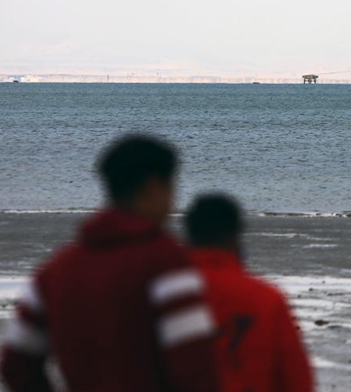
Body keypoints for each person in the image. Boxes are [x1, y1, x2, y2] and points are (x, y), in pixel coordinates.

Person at [1, 135, 221, 392]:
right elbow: (195, 368)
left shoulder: (57, 268)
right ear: (154, 187)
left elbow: (17, 364)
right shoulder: (166, 262)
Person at [185, 194, 314, 392]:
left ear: (189, 237)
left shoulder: (164, 294)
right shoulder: (267, 300)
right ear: (235, 236)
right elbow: (297, 382)